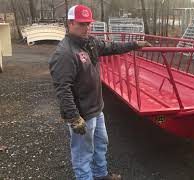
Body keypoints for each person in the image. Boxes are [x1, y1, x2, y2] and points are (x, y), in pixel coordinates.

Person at [48, 4, 151, 180]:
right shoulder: (65, 53)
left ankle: (100, 174)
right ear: (70, 23)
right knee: (82, 153)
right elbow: (63, 89)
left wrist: (135, 44)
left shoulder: (91, 43)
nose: (86, 28)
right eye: (81, 24)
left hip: (96, 109)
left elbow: (113, 47)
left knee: (101, 144)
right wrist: (73, 117)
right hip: (82, 114)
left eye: (88, 23)